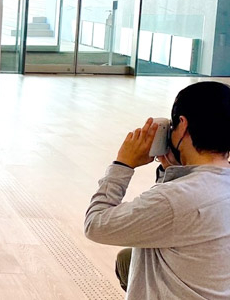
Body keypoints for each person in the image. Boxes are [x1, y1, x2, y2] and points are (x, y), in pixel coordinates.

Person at [84, 81, 230, 299]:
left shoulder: (174, 199)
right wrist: (171, 172)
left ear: (182, 125)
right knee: (128, 258)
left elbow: (95, 225)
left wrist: (122, 165)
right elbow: (172, 221)